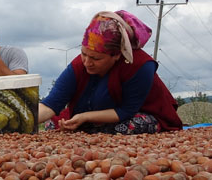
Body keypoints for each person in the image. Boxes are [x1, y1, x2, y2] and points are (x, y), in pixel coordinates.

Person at [38, 10, 182, 134]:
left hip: (132, 115)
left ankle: (89, 128)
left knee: (125, 127)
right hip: (84, 116)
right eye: (83, 54)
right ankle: (88, 128)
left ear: (117, 55)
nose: (87, 62)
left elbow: (125, 111)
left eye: (96, 58)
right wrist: (22, 121)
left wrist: (85, 117)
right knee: (52, 124)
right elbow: (51, 104)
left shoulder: (140, 65)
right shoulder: (78, 65)